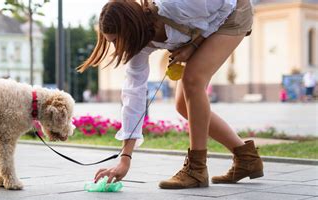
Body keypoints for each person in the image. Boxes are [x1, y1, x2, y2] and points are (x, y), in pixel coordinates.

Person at [78, 0, 263, 189]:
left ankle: (196, 170)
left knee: (193, 80)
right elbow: (133, 96)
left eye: (118, 40)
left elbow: (226, 3)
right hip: (207, 22)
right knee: (183, 105)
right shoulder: (139, 45)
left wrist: (195, 44)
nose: (118, 48)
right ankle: (246, 159)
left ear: (132, 29)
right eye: (112, 42)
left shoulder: (176, 4)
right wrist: (125, 160)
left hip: (232, 12)